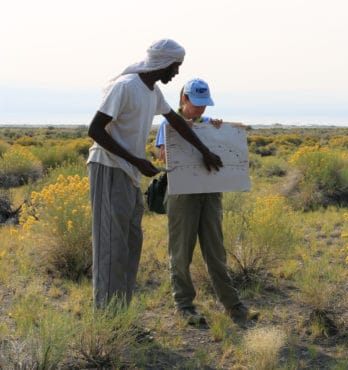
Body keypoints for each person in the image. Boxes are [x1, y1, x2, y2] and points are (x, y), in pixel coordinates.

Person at [87, 39, 223, 310]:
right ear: (163, 63)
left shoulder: (152, 92)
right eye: (175, 67)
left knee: (130, 246)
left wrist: (205, 151)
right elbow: (95, 130)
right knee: (111, 247)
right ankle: (106, 321)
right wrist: (136, 160)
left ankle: (121, 318)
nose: (176, 74)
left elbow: (178, 124)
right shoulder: (126, 87)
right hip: (108, 168)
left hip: (127, 173)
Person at [155, 78, 256, 327]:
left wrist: (218, 131)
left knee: (216, 252)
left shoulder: (210, 124)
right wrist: (183, 131)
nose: (201, 110)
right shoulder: (169, 124)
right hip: (182, 195)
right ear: (184, 99)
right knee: (180, 253)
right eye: (196, 103)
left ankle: (234, 307)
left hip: (210, 193)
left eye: (204, 104)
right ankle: (185, 306)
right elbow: (164, 157)